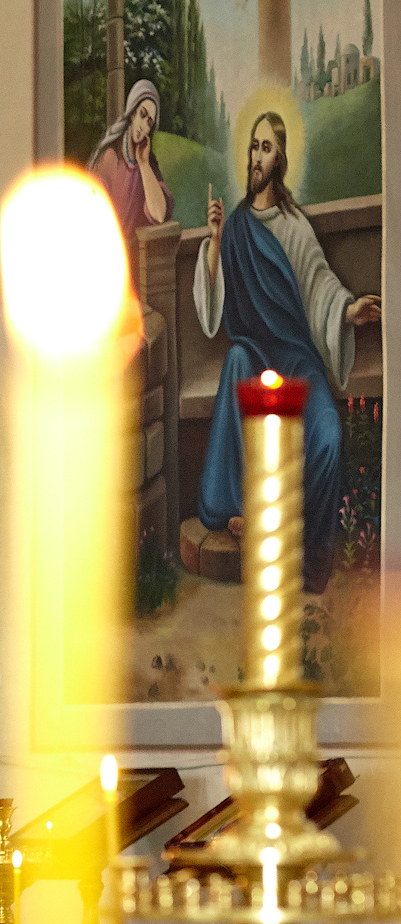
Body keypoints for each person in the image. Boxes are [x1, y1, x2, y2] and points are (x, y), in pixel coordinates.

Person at [193, 110, 381, 593]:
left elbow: (319, 285)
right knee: (235, 360)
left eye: (267, 148)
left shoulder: (294, 227)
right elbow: (212, 313)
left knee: (328, 436)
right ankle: (238, 510)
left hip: (297, 357)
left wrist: (348, 311)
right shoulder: (234, 228)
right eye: (254, 146)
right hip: (254, 353)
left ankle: (306, 561)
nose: (258, 157)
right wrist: (214, 242)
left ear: (281, 159)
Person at [89, 79, 171, 240]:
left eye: (150, 122)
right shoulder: (111, 157)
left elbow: (159, 214)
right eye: (142, 114)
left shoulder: (148, 161)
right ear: (132, 113)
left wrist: (144, 163)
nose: (144, 125)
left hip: (138, 255)